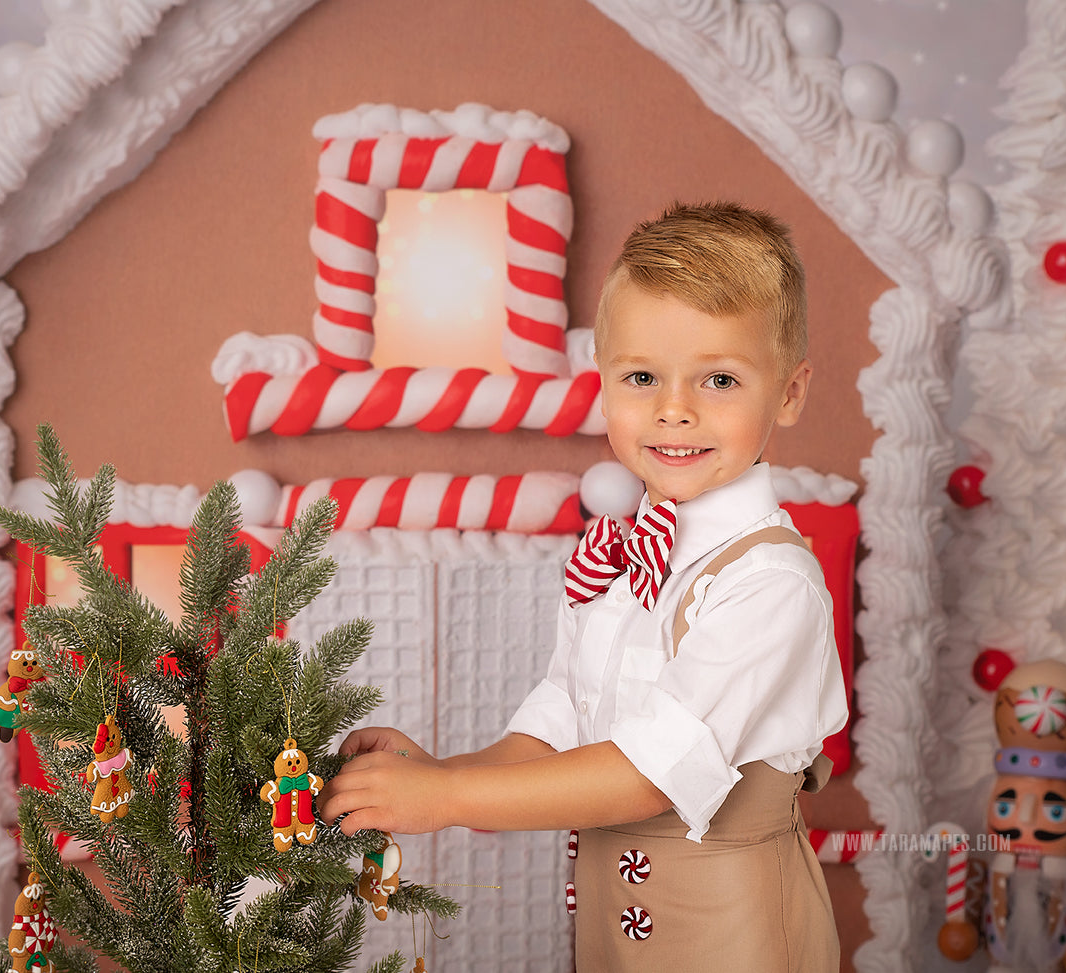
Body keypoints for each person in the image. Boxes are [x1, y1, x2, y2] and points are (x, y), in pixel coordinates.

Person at [318, 201, 848, 972]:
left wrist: (448, 799)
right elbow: (560, 720)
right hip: (614, 928)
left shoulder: (770, 583)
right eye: (641, 376)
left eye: (720, 378)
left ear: (789, 393)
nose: (674, 409)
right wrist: (441, 772)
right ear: (602, 383)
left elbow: (643, 774)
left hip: (734, 931)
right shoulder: (620, 558)